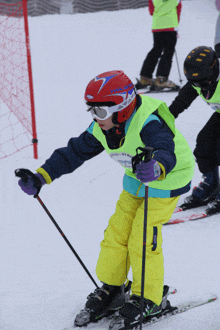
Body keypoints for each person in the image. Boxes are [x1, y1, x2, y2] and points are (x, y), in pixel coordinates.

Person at [16, 70, 194, 329]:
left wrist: (156, 166)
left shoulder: (150, 121)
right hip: (136, 179)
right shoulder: (104, 127)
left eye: (100, 112)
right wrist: (42, 176)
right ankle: (113, 288)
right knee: (116, 233)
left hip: (167, 178)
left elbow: (164, 148)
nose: (95, 119)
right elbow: (73, 152)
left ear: (122, 109)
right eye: (92, 111)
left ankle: (149, 297)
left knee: (142, 237)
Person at [169, 46, 220, 214]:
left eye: (203, 82)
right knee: (204, 143)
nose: (200, 86)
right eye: (194, 82)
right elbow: (180, 103)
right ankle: (211, 183)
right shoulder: (197, 81)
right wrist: (164, 120)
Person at [135, 0, 182, 91]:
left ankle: (145, 78)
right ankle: (161, 79)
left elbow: (151, 11)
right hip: (170, 26)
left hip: (157, 26)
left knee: (156, 50)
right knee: (168, 52)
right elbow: (178, 10)